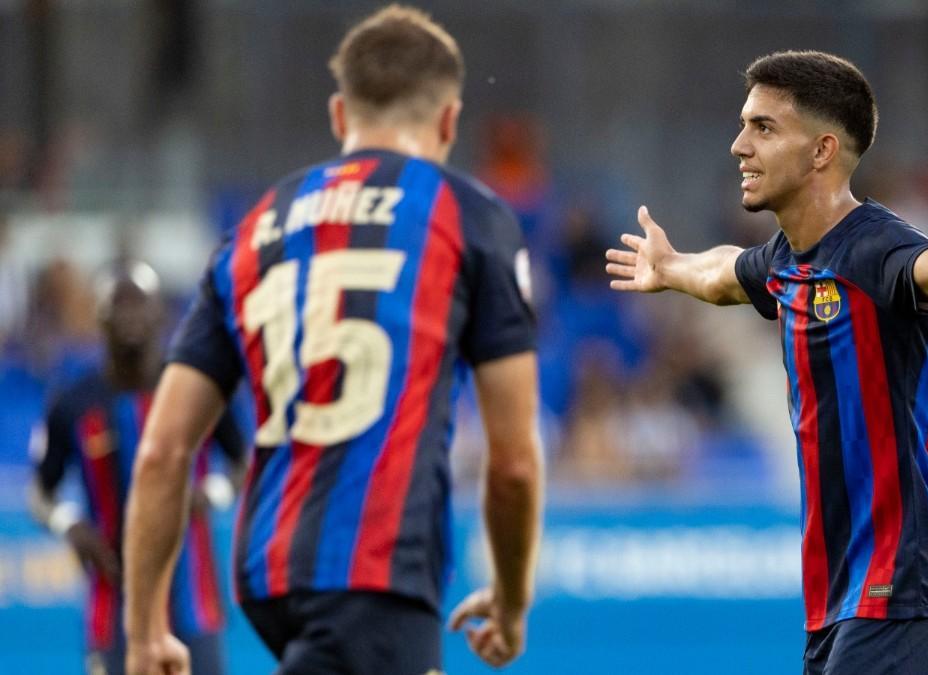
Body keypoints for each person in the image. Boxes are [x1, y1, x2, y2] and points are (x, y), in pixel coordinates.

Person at [606, 50, 928, 674]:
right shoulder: (787, 259)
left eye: (763, 128)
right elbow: (726, 275)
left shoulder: (874, 249)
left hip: (905, 588)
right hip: (843, 602)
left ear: (822, 151)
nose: (739, 146)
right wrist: (669, 269)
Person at [121, 6, 544, 675]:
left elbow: (163, 451)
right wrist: (514, 605)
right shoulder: (469, 217)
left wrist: (143, 628)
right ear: (449, 121)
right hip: (376, 569)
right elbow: (515, 460)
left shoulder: (254, 229)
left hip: (267, 572)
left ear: (339, 116)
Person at [30, 261, 246, 675]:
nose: (129, 315)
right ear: (98, 316)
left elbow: (241, 460)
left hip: (193, 605)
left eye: (139, 303)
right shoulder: (73, 402)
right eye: (117, 304)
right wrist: (70, 525)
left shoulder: (199, 388)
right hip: (113, 609)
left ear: (159, 314)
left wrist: (210, 494)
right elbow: (41, 491)